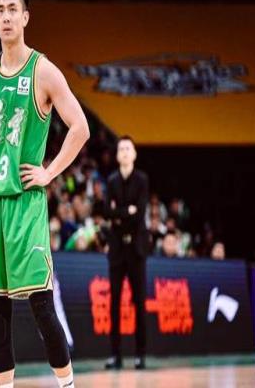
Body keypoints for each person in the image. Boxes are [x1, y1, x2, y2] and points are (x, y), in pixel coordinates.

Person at [0, 0, 89, 388]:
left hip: (26, 203)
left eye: (12, 9)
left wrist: (50, 171)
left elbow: (81, 128)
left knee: (41, 306)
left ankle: (67, 385)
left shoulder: (43, 71)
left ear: (25, 17)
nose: (5, 17)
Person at [103, 135, 149, 370]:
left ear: (134, 154)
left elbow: (139, 213)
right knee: (114, 303)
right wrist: (125, 212)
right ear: (117, 154)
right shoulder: (111, 181)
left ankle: (140, 354)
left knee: (139, 302)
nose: (124, 152)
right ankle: (115, 355)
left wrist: (119, 214)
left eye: (128, 148)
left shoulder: (142, 180)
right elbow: (106, 212)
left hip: (137, 250)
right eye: (121, 148)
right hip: (117, 249)